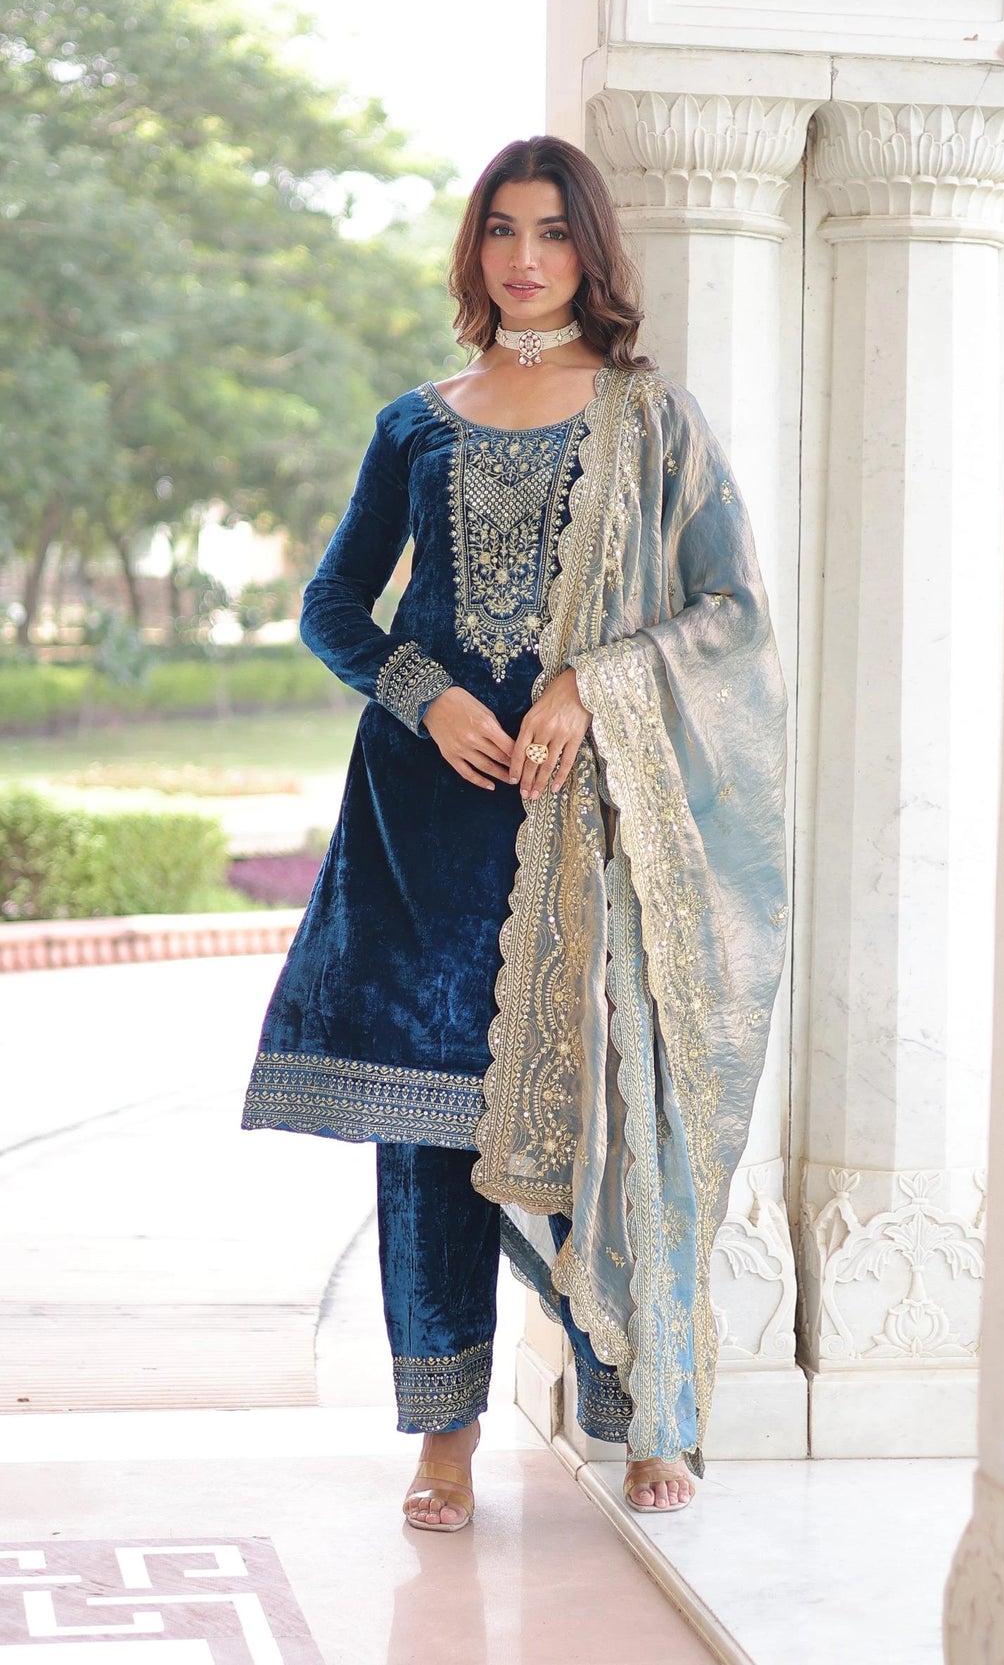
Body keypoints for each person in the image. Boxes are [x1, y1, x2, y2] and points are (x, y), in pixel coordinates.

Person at [240, 135, 789, 1529]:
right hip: (425, 832)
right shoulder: (414, 423)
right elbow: (333, 607)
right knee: (426, 1142)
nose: (526, 256)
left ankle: (643, 1401)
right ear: (475, 250)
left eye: (552, 231)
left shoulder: (652, 420)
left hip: (584, 831)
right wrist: (422, 698)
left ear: (591, 251)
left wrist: (588, 686)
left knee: (611, 1108)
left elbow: (730, 615)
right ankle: (442, 1437)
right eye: (502, 230)